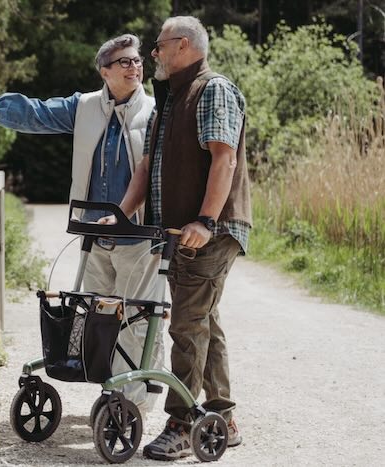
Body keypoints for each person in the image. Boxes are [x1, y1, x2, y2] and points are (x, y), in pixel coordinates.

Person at [0, 34, 165, 415]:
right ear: (104, 71)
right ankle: (112, 395)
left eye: (137, 60)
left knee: (138, 320)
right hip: (93, 234)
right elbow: (36, 113)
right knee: (97, 317)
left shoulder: (158, 112)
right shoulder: (85, 107)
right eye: (124, 62)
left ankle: (133, 405)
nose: (135, 67)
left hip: (138, 235)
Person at [99, 16, 252, 460]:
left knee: (186, 323)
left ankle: (183, 424)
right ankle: (222, 418)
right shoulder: (170, 99)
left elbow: (224, 160)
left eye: (159, 46)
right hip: (179, 233)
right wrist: (121, 214)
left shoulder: (212, 90)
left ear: (182, 45)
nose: (154, 55)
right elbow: (146, 167)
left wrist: (206, 220)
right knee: (203, 320)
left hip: (211, 231)